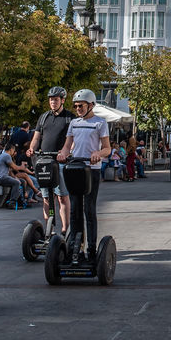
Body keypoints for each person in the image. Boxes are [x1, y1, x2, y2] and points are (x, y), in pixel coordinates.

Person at [57, 89, 112, 262]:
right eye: (75, 106)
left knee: (89, 209)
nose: (78, 108)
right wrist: (63, 154)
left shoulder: (100, 123)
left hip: (91, 169)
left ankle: (91, 248)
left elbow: (108, 149)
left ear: (91, 105)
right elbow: (67, 145)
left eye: (81, 105)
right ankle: (76, 246)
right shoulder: (74, 123)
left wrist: (98, 153)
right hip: (75, 168)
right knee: (75, 210)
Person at [29, 86, 74, 234]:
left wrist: (67, 152)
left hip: (60, 162)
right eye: (51, 99)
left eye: (55, 99)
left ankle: (65, 229)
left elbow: (73, 139)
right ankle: (50, 229)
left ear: (62, 100)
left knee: (62, 196)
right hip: (44, 161)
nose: (53, 102)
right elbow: (36, 137)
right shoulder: (44, 117)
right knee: (47, 198)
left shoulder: (69, 117)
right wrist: (31, 149)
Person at [0, 143, 30, 208]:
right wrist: (22, 167)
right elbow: (14, 167)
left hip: (3, 177)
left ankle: (22, 201)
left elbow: (10, 171)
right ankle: (12, 203)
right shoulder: (6, 156)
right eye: (13, 150)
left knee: (22, 181)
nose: (14, 152)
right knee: (16, 183)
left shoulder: (4, 155)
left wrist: (15, 177)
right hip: (0, 178)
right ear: (11, 149)